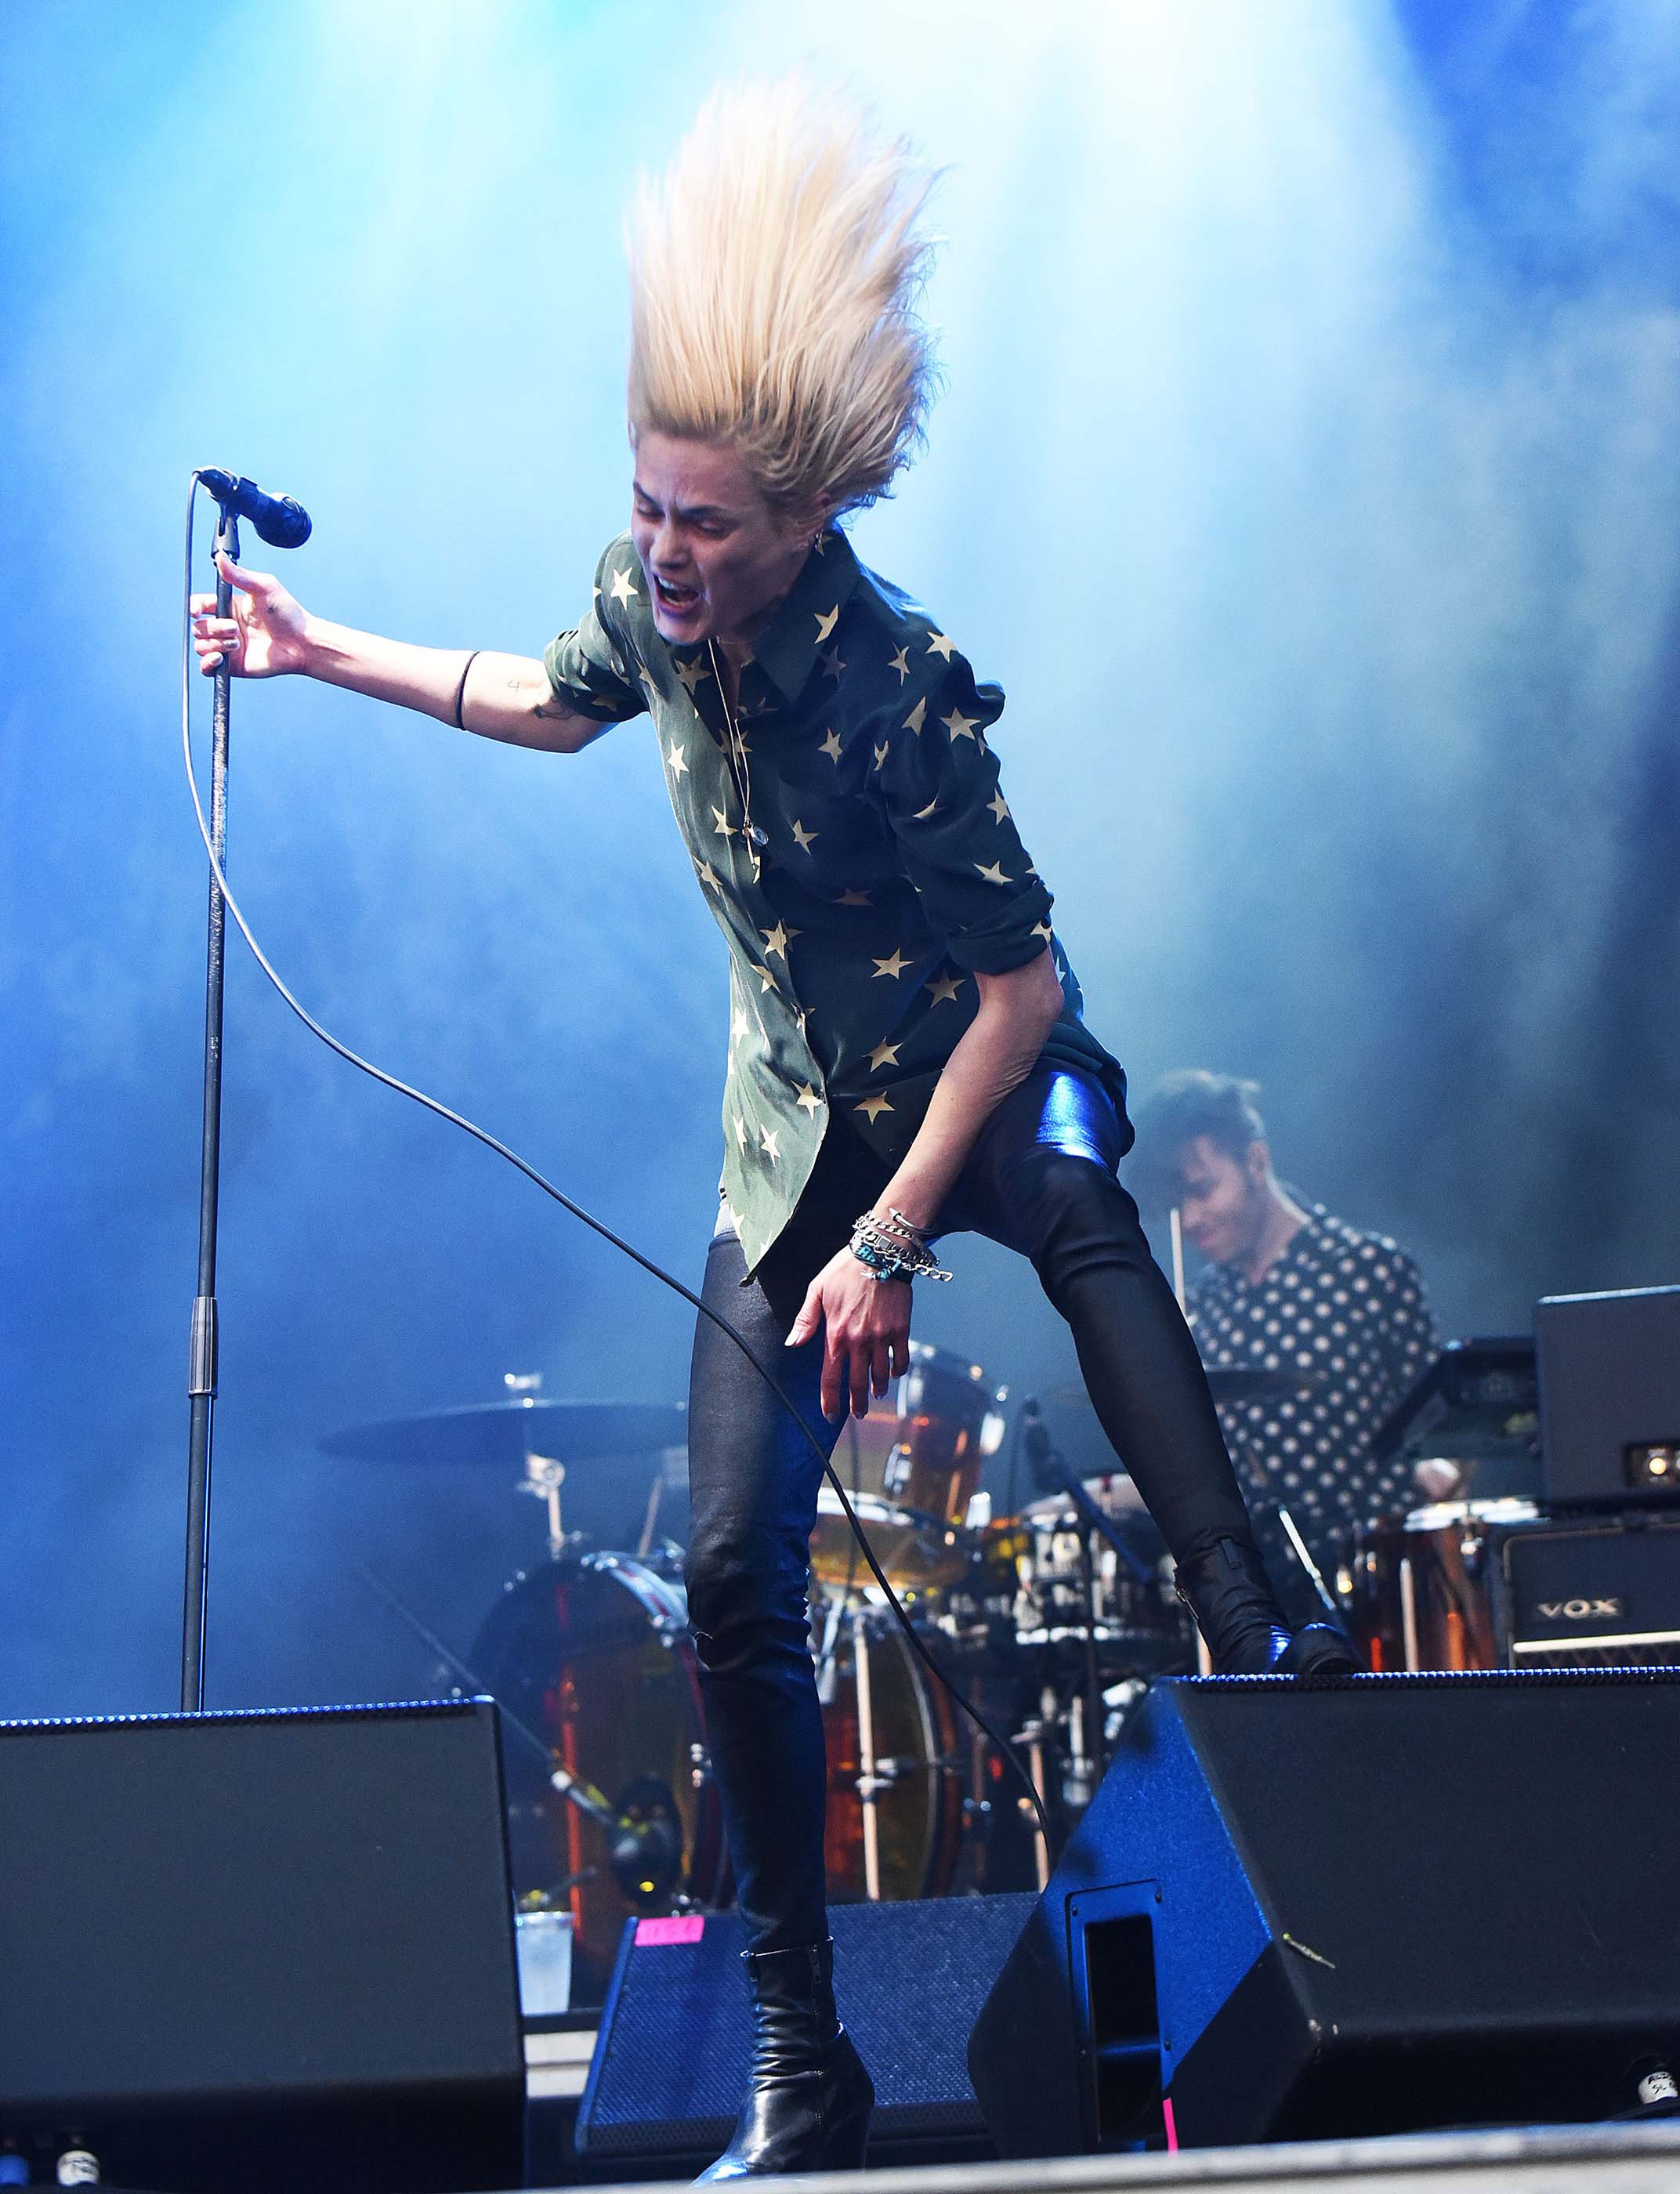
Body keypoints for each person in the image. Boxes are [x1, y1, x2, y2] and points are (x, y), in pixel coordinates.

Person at [191, 85, 1356, 2182]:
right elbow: (541, 696)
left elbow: (1018, 995)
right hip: (796, 1120)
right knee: (729, 1560)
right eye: (648, 510)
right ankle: (801, 2060)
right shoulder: (656, 606)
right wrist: (308, 647)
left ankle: (1255, 1613)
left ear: (803, 517)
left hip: (982, 1075)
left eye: (706, 524)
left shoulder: (908, 691)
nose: (666, 553)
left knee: (1086, 1206)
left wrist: (896, 1244)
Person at [1132, 1070, 1443, 1609]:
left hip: (1378, 1588)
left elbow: (1447, 1430)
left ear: (1256, 1162)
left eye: (1202, 1189)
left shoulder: (1369, 1269)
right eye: (1175, 1207)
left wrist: (1445, 1471)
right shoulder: (1197, 1308)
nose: (1191, 1220)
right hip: (1257, 1601)